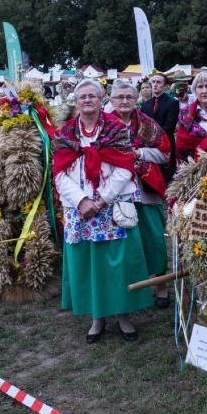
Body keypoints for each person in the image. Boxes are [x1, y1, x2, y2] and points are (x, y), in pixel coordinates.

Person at [53, 78, 153, 344]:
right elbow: (59, 174)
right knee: (88, 262)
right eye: (82, 96)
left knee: (116, 263)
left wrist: (101, 200)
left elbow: (125, 167)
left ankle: (122, 315)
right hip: (79, 208)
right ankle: (97, 317)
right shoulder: (64, 134)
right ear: (76, 102)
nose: (87, 100)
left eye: (92, 96)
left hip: (111, 206)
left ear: (102, 99)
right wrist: (82, 201)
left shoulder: (116, 129)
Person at [110, 80, 172, 308]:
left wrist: (139, 153)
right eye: (119, 97)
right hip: (114, 193)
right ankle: (128, 286)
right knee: (124, 241)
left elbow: (165, 153)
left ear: (136, 99)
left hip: (145, 189)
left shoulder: (147, 125)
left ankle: (161, 284)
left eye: (129, 97)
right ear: (112, 100)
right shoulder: (105, 124)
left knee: (154, 237)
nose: (124, 101)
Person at [140, 73, 180, 181]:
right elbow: (142, 125)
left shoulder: (173, 103)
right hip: (148, 147)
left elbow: (169, 127)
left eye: (158, 82)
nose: (155, 85)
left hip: (166, 144)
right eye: (153, 82)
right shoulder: (146, 104)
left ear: (165, 86)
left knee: (166, 177)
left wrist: (152, 138)